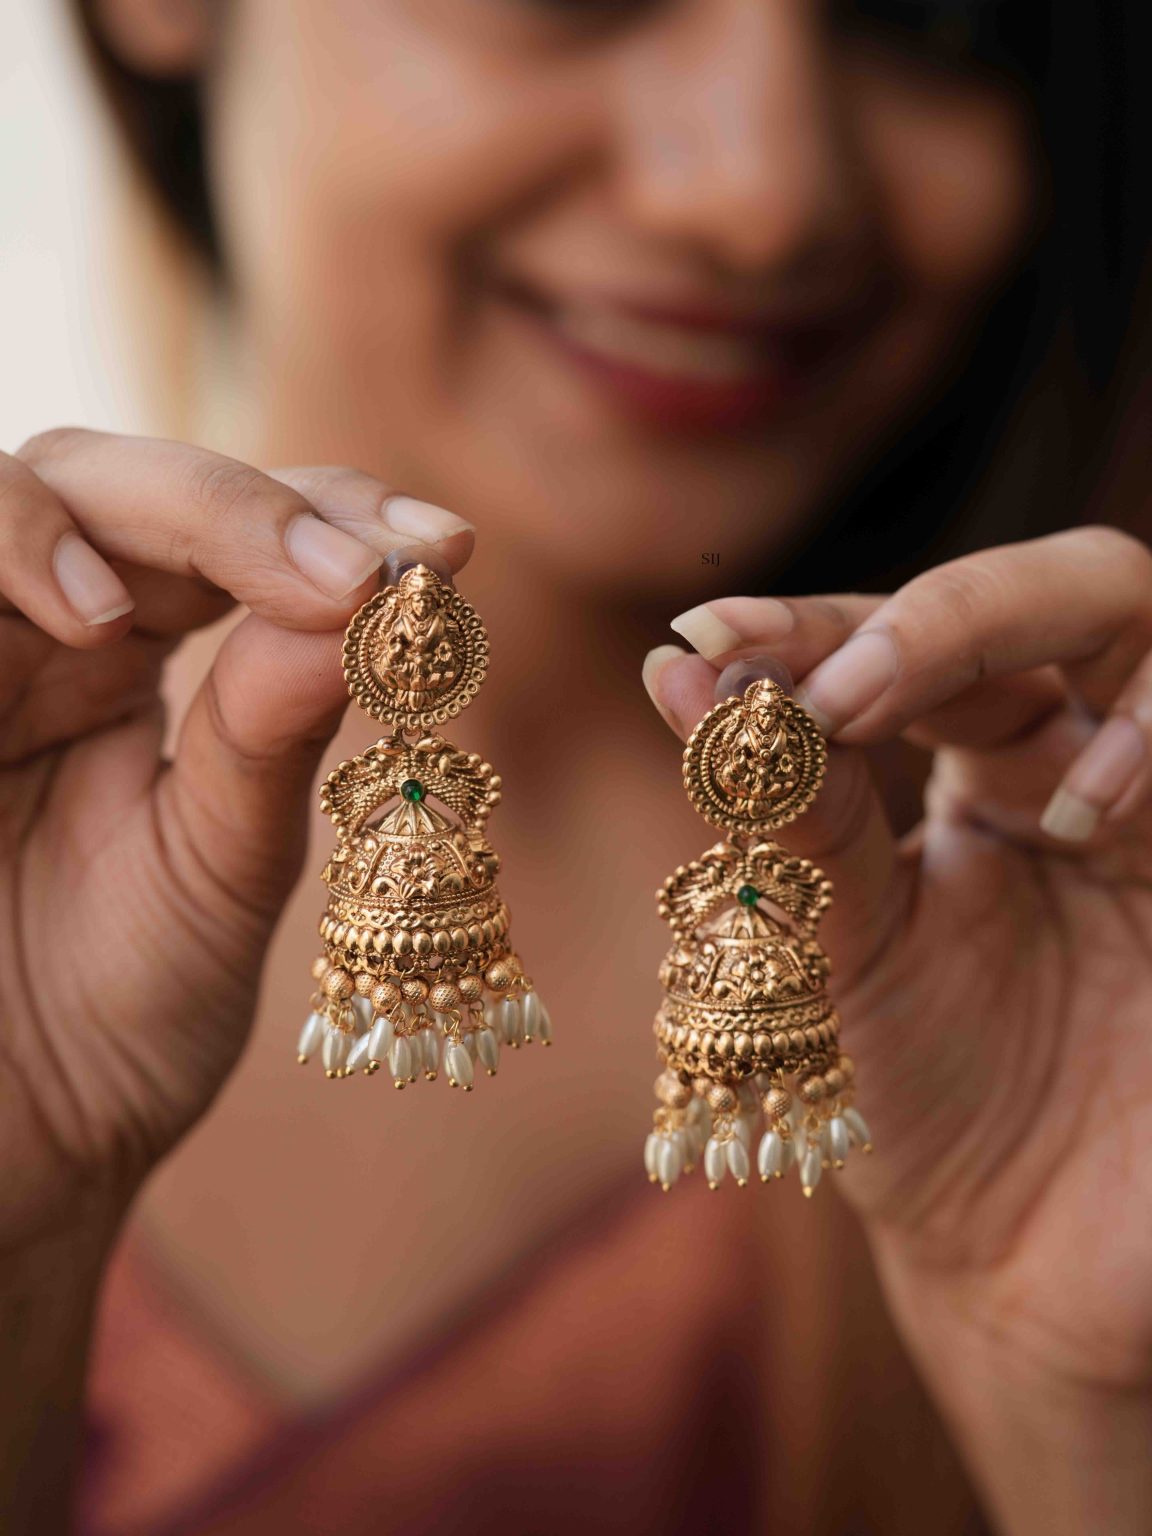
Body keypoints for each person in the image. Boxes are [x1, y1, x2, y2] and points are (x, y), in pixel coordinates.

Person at [2, 1, 1151, 1531]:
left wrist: (1091, 1431)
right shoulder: (43, 946)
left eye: (939, 14)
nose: (760, 196)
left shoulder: (1059, 1021)